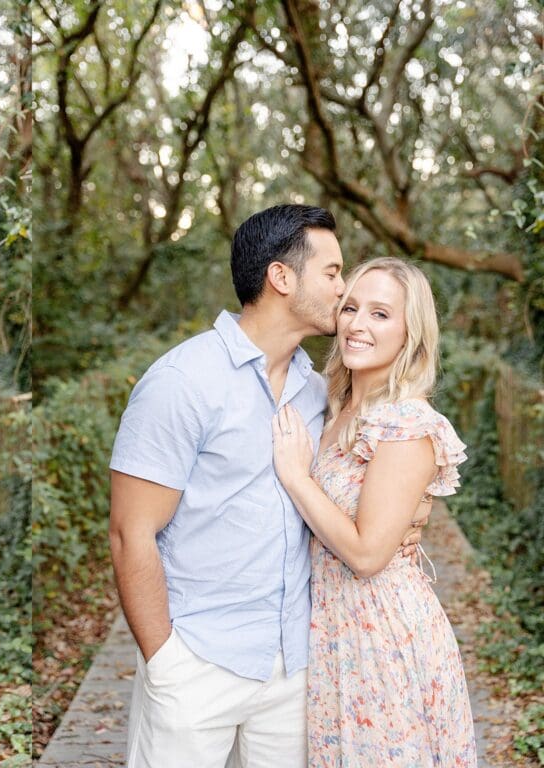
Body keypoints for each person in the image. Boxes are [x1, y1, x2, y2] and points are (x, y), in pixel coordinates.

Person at [108, 204, 425, 767]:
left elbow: (367, 479)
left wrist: (410, 513)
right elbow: (130, 533)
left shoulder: (317, 389)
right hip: (197, 662)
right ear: (282, 277)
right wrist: (165, 662)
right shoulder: (182, 382)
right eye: (332, 272)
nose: (342, 288)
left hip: (294, 668)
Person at [271, 257, 476, 765]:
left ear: (411, 334)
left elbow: (367, 555)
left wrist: (297, 477)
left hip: (384, 635)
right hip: (333, 633)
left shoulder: (406, 423)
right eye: (351, 308)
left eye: (381, 314)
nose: (357, 324)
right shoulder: (334, 407)